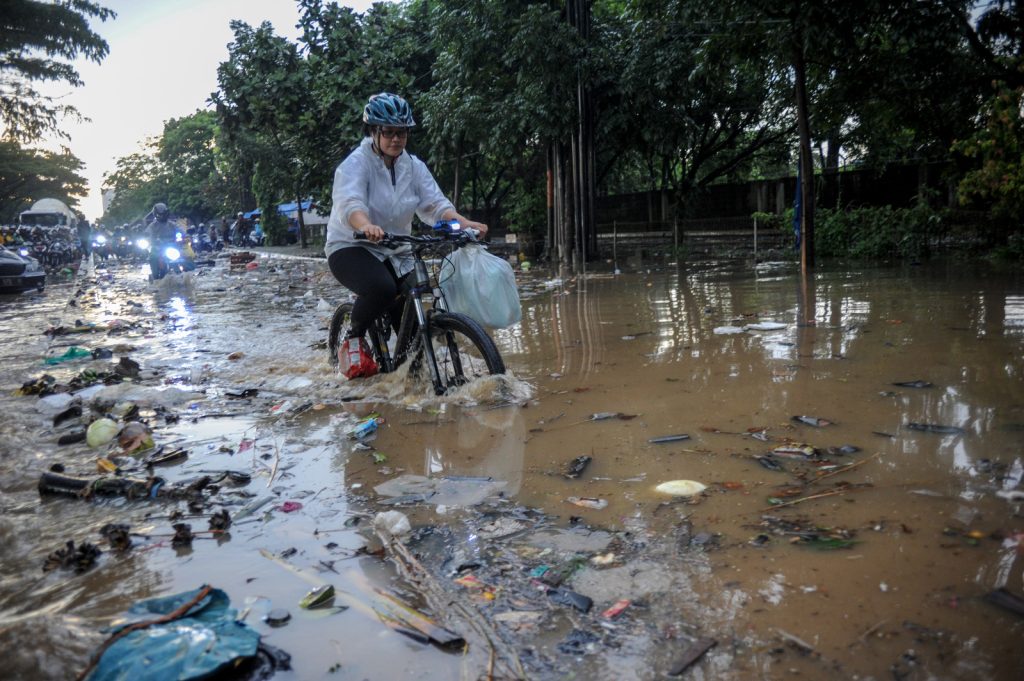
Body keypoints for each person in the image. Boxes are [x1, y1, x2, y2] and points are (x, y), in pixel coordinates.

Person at [324, 92, 488, 378]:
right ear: (374, 132)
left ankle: (406, 377)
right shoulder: (355, 164)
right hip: (351, 246)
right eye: (389, 132)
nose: (396, 139)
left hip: (396, 248)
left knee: (412, 313)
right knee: (382, 288)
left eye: (402, 133)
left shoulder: (413, 166)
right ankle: (353, 337)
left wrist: (465, 224)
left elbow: (436, 204)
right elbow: (350, 204)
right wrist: (365, 225)